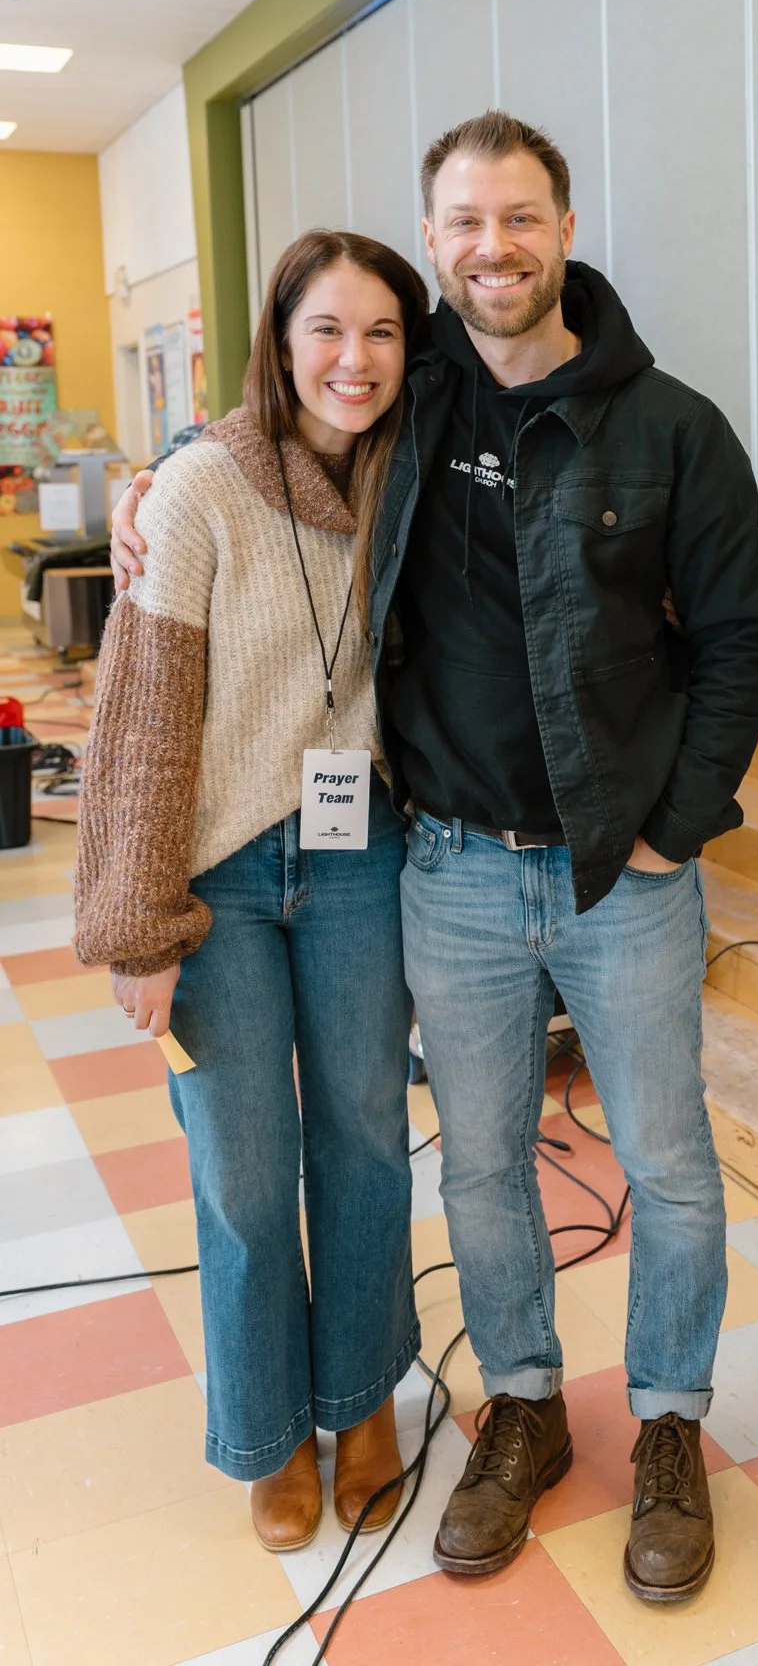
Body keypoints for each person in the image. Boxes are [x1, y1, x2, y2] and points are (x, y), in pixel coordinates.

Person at [113, 111, 758, 1604]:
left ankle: (669, 1425)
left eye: (521, 216)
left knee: (667, 1163)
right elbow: (281, 416)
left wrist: (674, 828)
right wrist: (155, 475)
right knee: (479, 1164)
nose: (495, 246)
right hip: (451, 871)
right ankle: (525, 1404)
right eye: (466, 222)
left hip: (623, 877)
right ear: (435, 242)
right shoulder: (411, 398)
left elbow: (745, 639)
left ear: (564, 229)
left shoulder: (673, 427)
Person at [79, 230, 431, 1554]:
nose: (354, 359)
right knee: (241, 1166)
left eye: (382, 332)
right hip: (215, 873)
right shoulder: (198, 489)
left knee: (366, 1137)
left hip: (359, 854)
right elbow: (143, 714)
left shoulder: (416, 477)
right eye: (326, 328)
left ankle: (363, 1399)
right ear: (280, 342)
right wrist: (138, 922)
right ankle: (270, 1431)